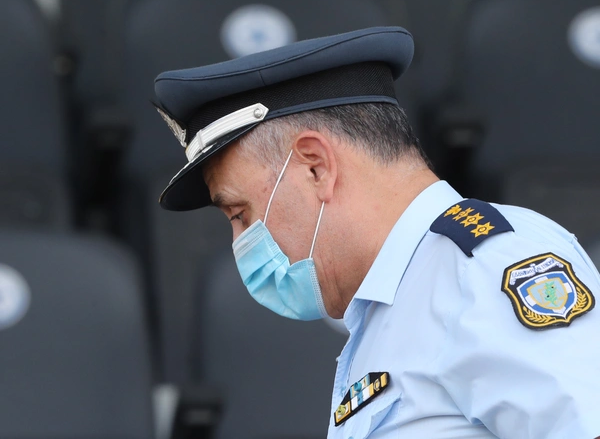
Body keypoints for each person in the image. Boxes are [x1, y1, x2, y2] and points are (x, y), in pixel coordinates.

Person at [153, 27, 600, 438]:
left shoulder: (487, 268)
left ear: (315, 167)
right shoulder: (393, 305)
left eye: (240, 213)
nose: (240, 241)